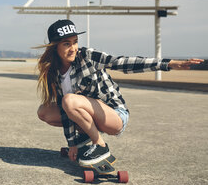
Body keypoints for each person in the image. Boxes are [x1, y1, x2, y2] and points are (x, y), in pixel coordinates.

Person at [35, 19, 203, 166]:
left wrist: (168, 64)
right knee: (45, 111)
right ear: (54, 47)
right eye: (66, 43)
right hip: (89, 113)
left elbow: (121, 63)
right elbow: (66, 114)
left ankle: (100, 145)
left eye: (75, 41)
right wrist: (72, 143)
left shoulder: (87, 56)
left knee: (69, 101)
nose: (73, 48)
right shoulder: (55, 73)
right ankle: (85, 136)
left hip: (114, 115)